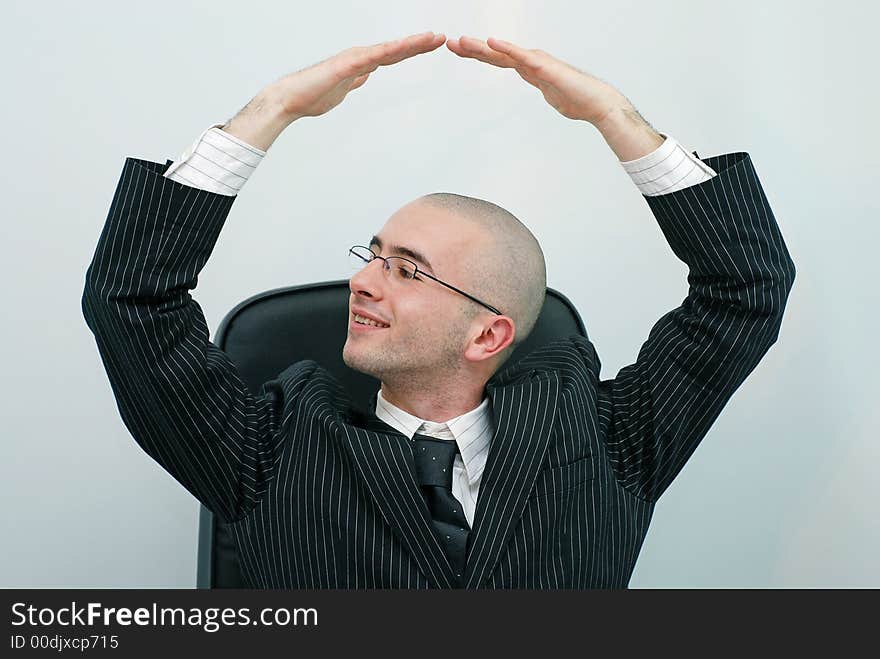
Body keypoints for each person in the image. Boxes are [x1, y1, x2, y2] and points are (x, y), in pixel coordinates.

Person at [82, 32, 796, 588]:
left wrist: (615, 117)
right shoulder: (267, 450)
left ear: (489, 332)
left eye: (407, 270)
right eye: (373, 254)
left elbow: (746, 287)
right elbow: (130, 301)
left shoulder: (607, 441)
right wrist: (273, 112)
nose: (362, 282)